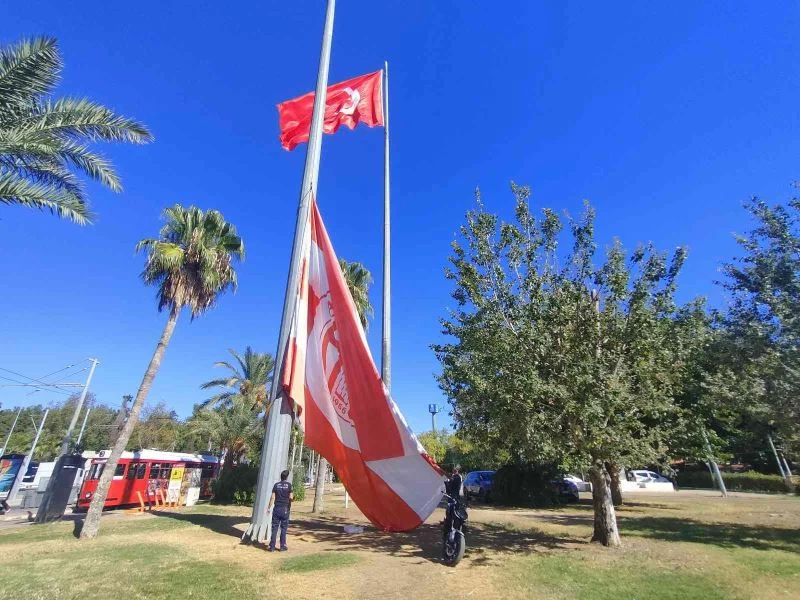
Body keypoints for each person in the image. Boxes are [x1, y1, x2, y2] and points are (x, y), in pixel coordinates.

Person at [268, 469, 294, 552]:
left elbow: (272, 497)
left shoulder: (276, 485)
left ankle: (272, 546)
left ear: (281, 477)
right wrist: (293, 499)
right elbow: (291, 497)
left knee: (275, 528)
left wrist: (269, 508)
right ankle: (282, 546)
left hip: (277, 508)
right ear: (287, 477)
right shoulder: (289, 485)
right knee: (283, 528)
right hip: (285, 509)